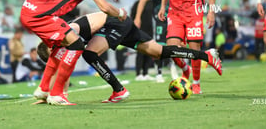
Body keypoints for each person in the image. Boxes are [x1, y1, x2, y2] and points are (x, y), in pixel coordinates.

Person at [34, 12, 222, 105]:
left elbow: (65, 68)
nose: (59, 56)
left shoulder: (69, 32)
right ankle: (207, 55)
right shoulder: (61, 41)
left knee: (89, 54)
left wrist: (57, 94)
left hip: (115, 23)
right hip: (119, 25)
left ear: (53, 46)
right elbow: (62, 72)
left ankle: (119, 91)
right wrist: (50, 96)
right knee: (158, 52)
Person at [20, 0, 127, 105]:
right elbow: (104, 7)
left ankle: (43, 89)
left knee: (60, 46)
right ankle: (57, 94)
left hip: (29, 11)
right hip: (41, 15)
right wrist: (120, 13)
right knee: (76, 45)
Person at [134, 0, 170, 83]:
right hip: (160, 19)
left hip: (175, 17)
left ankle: (177, 69)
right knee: (159, 45)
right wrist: (137, 17)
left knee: (177, 44)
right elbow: (143, 0)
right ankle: (159, 73)